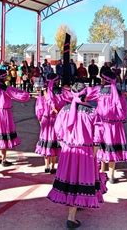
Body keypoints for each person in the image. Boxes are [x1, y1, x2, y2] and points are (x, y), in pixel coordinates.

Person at [47, 82, 107, 229]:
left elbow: (58, 129)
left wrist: (63, 143)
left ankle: (73, 209)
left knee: (70, 179)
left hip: (69, 151)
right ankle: (71, 217)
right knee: (81, 180)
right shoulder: (92, 112)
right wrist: (95, 150)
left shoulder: (64, 110)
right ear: (86, 94)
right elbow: (98, 134)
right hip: (85, 151)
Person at [87, 69, 127, 183]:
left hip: (102, 123)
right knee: (112, 148)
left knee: (102, 147)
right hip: (115, 125)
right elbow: (124, 108)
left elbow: (86, 95)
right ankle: (111, 175)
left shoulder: (99, 90)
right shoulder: (118, 92)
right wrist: (121, 118)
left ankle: (101, 172)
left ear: (104, 79)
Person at [0, 69, 30, 166]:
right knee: (3, 135)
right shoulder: (6, 89)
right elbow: (18, 95)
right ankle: (4, 159)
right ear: (4, 77)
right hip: (4, 113)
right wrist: (27, 95)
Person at [35, 74, 68, 174]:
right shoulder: (62, 92)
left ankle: (46, 165)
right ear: (57, 81)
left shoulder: (43, 93)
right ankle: (53, 166)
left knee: (46, 141)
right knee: (54, 142)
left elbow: (39, 108)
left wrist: (40, 119)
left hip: (46, 120)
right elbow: (64, 106)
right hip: (56, 120)